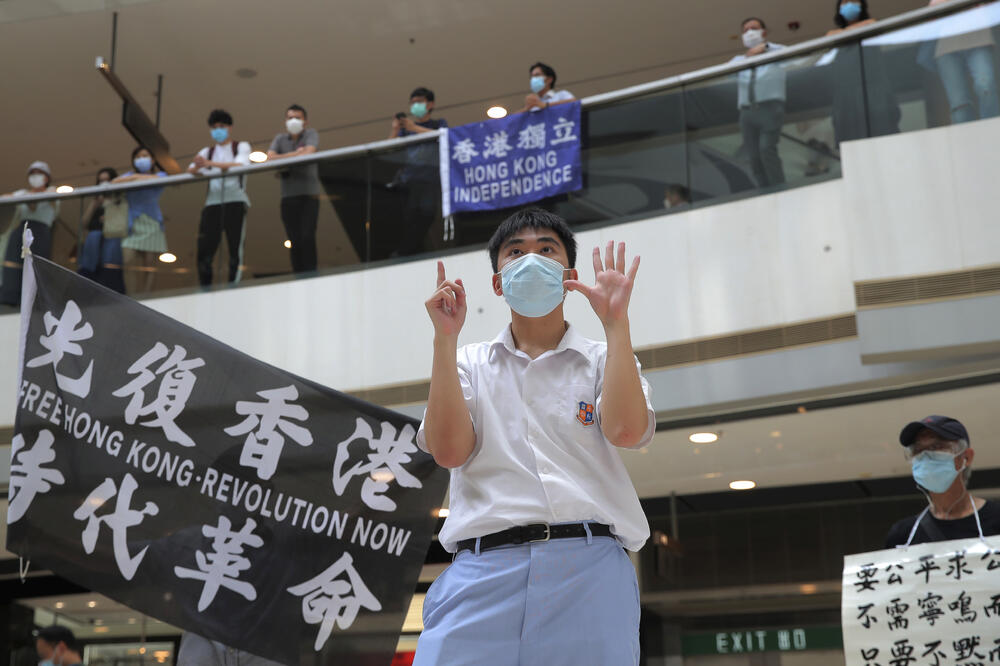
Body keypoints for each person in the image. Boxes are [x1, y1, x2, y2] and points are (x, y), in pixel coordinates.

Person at [413, 207, 654, 665]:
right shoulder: (468, 362)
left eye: (547, 250)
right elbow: (448, 451)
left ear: (569, 275)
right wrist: (444, 341)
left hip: (589, 569)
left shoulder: (603, 357)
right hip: (482, 568)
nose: (531, 259)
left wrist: (617, 324)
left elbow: (626, 431)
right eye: (515, 252)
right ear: (498, 283)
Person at [885, 415, 1000, 548]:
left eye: (937, 446)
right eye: (917, 450)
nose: (926, 456)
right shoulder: (903, 535)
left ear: (966, 457)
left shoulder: (996, 518)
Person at [189, 109, 252, 287]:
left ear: (230, 128)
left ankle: (234, 284)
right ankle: (205, 286)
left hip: (235, 201)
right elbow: (191, 169)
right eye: (214, 127)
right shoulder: (206, 151)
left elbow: (240, 165)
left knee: (234, 246)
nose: (218, 130)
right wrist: (200, 166)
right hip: (212, 203)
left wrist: (209, 165)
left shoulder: (241, 146)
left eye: (222, 126)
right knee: (205, 248)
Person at [825, 0, 900, 144]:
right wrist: (850, 32)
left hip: (874, 89)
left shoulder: (871, 25)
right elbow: (830, 36)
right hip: (847, 94)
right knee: (851, 136)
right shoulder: (835, 34)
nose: (849, 5)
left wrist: (845, 34)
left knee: (881, 131)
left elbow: (871, 24)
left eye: (853, 1)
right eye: (845, 2)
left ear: (861, 6)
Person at [388, 87, 448, 256]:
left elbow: (444, 136)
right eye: (413, 103)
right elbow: (389, 148)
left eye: (419, 102)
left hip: (431, 177)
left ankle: (409, 250)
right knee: (409, 218)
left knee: (428, 214)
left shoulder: (438, 123)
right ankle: (409, 251)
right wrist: (395, 129)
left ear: (430, 104)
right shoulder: (405, 129)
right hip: (409, 179)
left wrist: (414, 128)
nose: (415, 105)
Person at [730, 18, 786, 188]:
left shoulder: (775, 51)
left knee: (766, 149)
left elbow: (796, 56)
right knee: (753, 156)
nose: (749, 33)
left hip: (770, 108)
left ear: (764, 32)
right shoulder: (738, 60)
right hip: (747, 112)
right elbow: (729, 72)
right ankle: (765, 190)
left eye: (754, 28)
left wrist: (766, 48)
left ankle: (779, 187)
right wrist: (749, 56)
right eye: (745, 30)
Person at [267, 104, 320, 274]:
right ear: (285, 120)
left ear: (305, 121)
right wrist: (296, 154)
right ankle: (298, 274)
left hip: (309, 196)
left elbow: (309, 152)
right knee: (294, 239)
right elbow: (269, 159)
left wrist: (282, 159)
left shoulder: (311, 134)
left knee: (307, 236)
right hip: (288, 198)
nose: (293, 121)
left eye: (297, 117)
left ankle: (311, 273)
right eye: (290, 118)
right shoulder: (280, 139)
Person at [928, 0, 998, 125]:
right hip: (947, 47)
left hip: (978, 40)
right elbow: (932, 11)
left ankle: (992, 131)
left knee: (986, 87)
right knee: (959, 104)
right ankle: (966, 140)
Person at [0, 161, 60, 306]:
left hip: (40, 232)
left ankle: (35, 302)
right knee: (13, 262)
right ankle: (10, 298)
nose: (35, 177)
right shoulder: (23, 193)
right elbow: (5, 197)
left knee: (35, 265)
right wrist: (23, 196)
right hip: (21, 230)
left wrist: (26, 197)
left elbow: (39, 202)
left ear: (46, 177)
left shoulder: (52, 191)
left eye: (39, 173)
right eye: (32, 174)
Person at [114, 146, 168, 294]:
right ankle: (131, 295)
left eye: (145, 156)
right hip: (131, 222)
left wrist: (132, 178)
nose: (141, 159)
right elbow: (115, 182)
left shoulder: (161, 174)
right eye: (138, 157)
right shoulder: (129, 175)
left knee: (149, 264)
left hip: (152, 222)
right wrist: (134, 177)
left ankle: (147, 295)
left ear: (152, 160)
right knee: (128, 261)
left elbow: (161, 178)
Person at [78, 167, 126, 294]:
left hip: (112, 241)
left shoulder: (120, 201)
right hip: (94, 243)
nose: (104, 183)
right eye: (100, 181)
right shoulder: (96, 202)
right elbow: (83, 223)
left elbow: (122, 222)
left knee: (110, 271)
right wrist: (94, 204)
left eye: (107, 180)